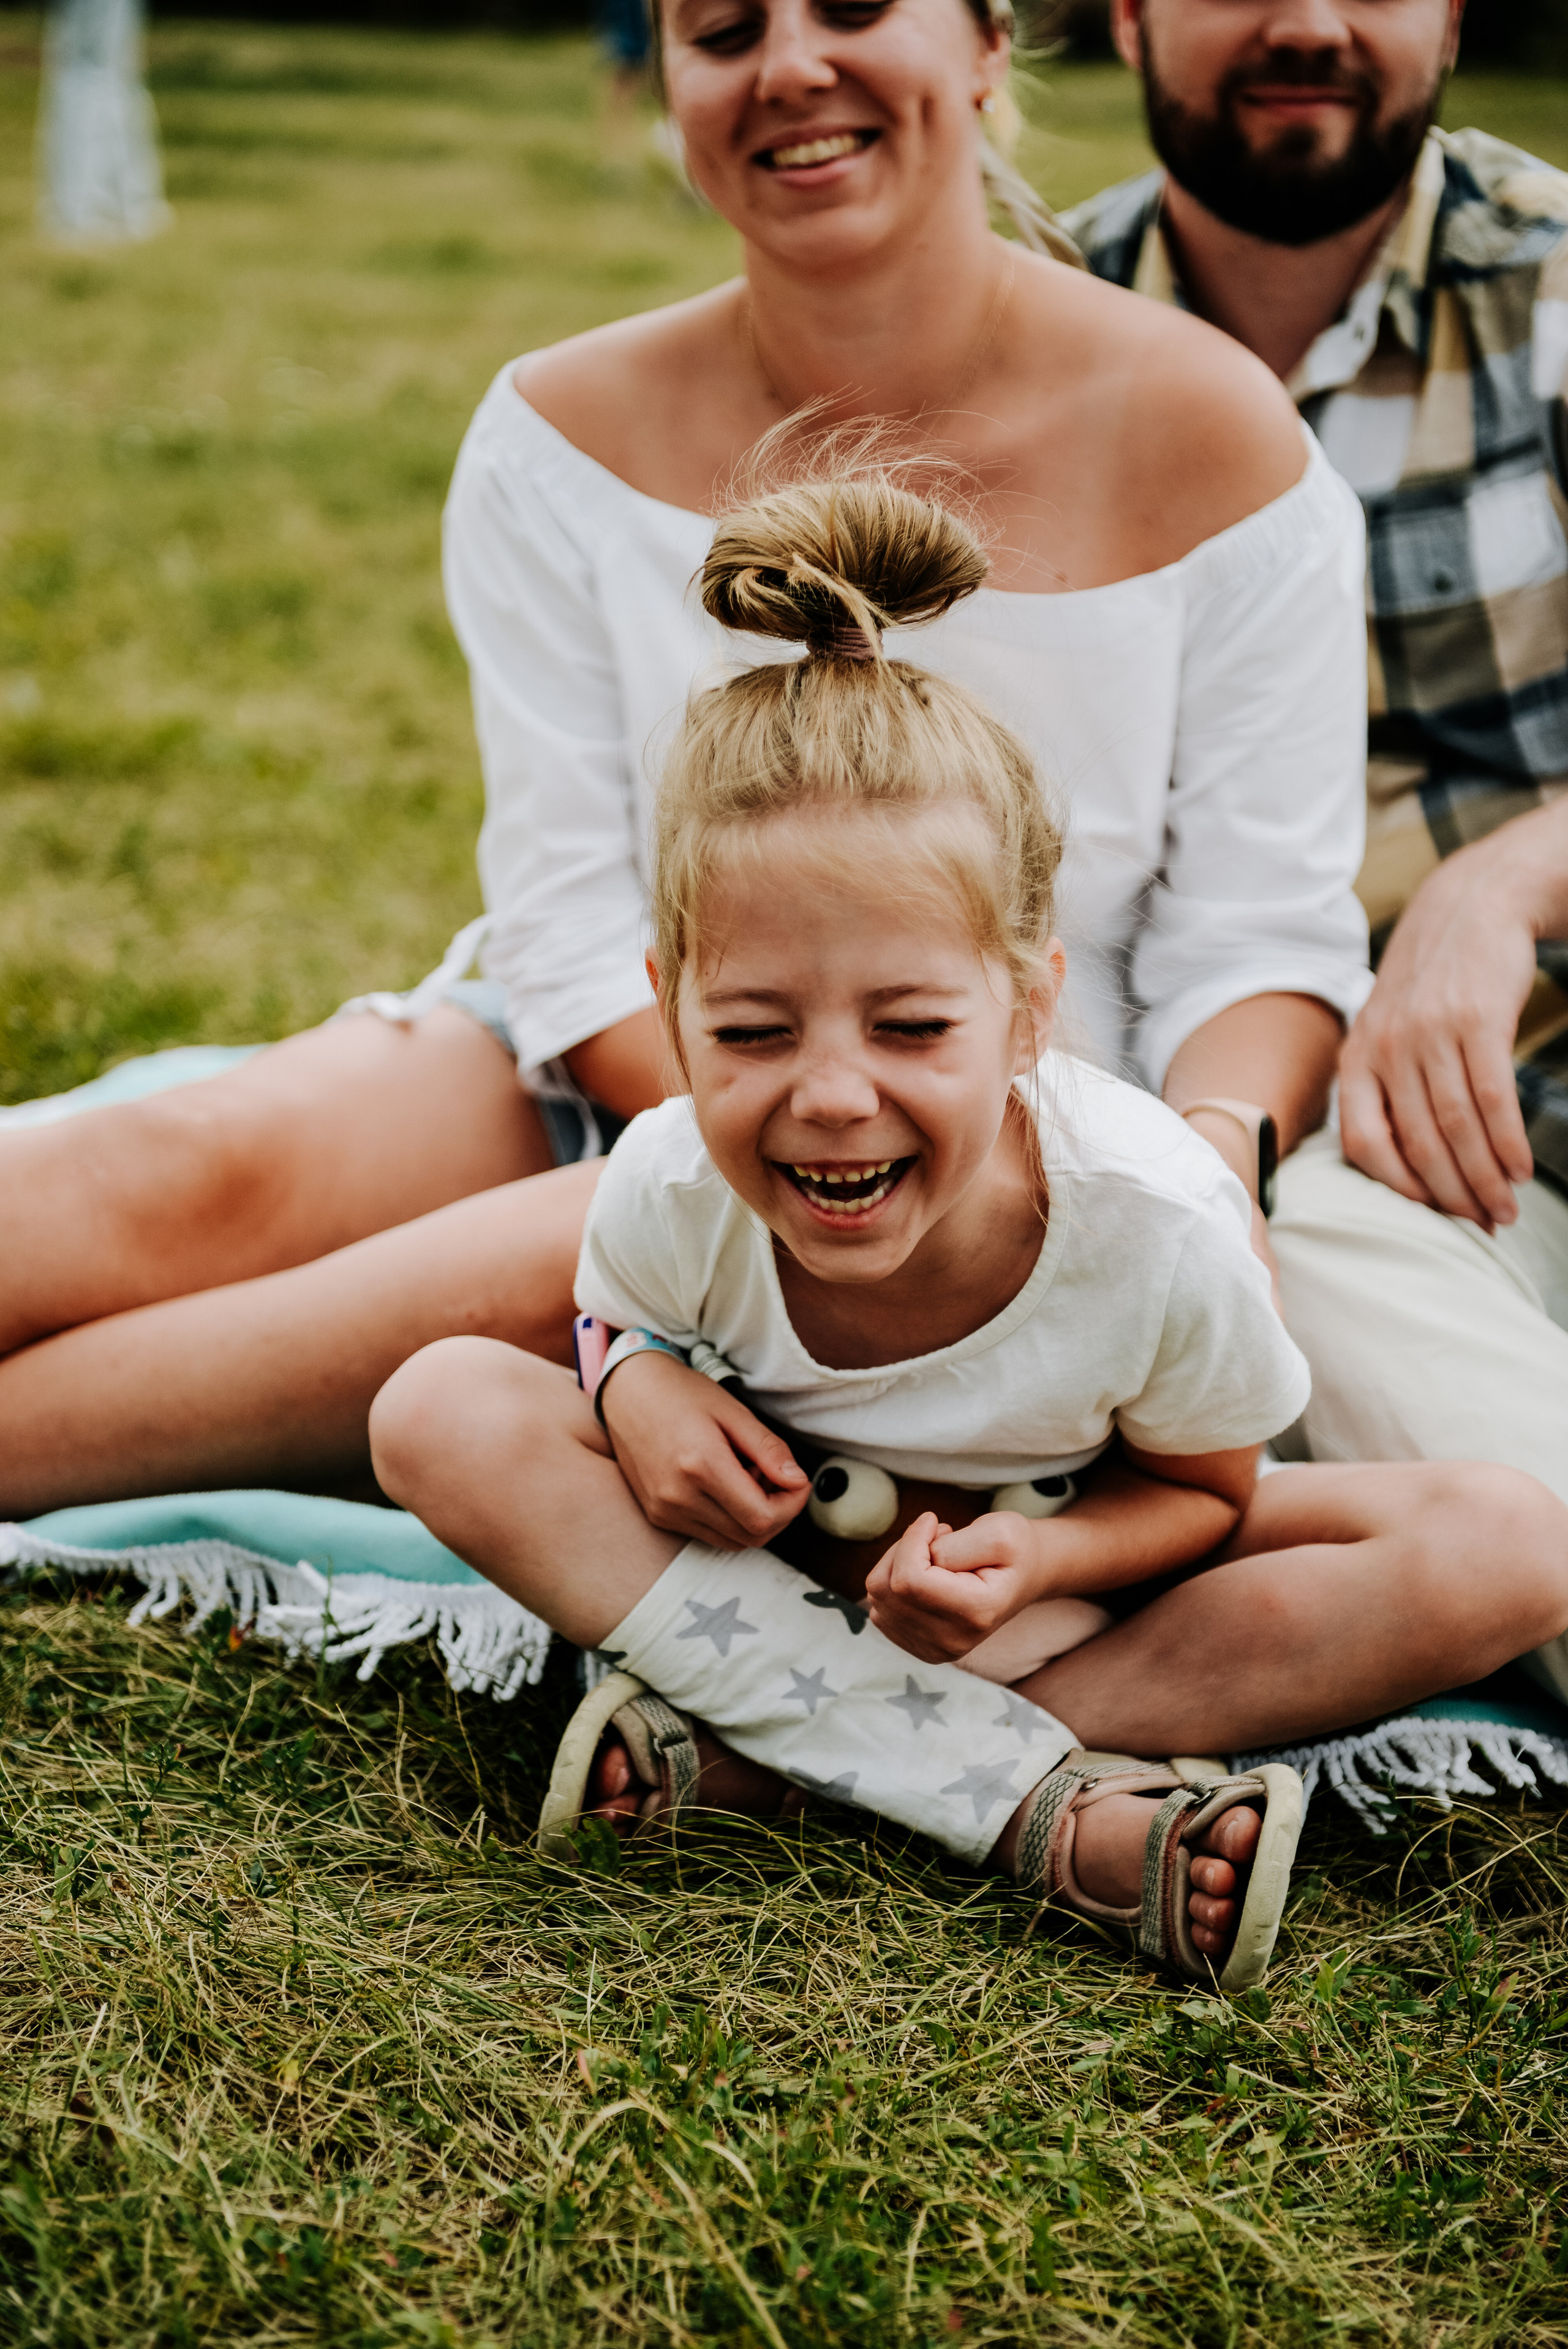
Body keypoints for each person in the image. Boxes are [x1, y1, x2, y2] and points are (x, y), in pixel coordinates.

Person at [0, 0, 1370, 1524]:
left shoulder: (1226, 443)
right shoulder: (553, 429)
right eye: (721, 28)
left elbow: (1261, 933)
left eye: (853, 9)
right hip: (626, 1044)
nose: (789, 67)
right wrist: (730, 1112)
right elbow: (570, 905)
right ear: (668, 77)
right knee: (173, 1165)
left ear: (989, 45)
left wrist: (1197, 1178)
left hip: (968, 1124)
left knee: (310, 1339)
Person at [368, 475, 1568, 1986]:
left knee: (1509, 1546)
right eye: (747, 1030)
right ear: (668, 1000)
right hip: (784, 1577)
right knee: (436, 1407)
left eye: (910, 1024)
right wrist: (629, 1386)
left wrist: (1044, 1552)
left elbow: (1203, 1495)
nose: (827, 1096)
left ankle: (783, 1770)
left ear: (1028, 1007)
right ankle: (1039, 1808)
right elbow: (620, 1319)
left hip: (1069, 1593)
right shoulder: (668, 1181)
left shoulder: (1147, 1219)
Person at [1061, 0, 1568, 1692]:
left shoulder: (1554, 288)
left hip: (1539, 1062)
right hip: (1349, 1168)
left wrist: (1510, 878)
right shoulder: (1020, 340)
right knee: (1239, 1237)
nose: (1307, 20)